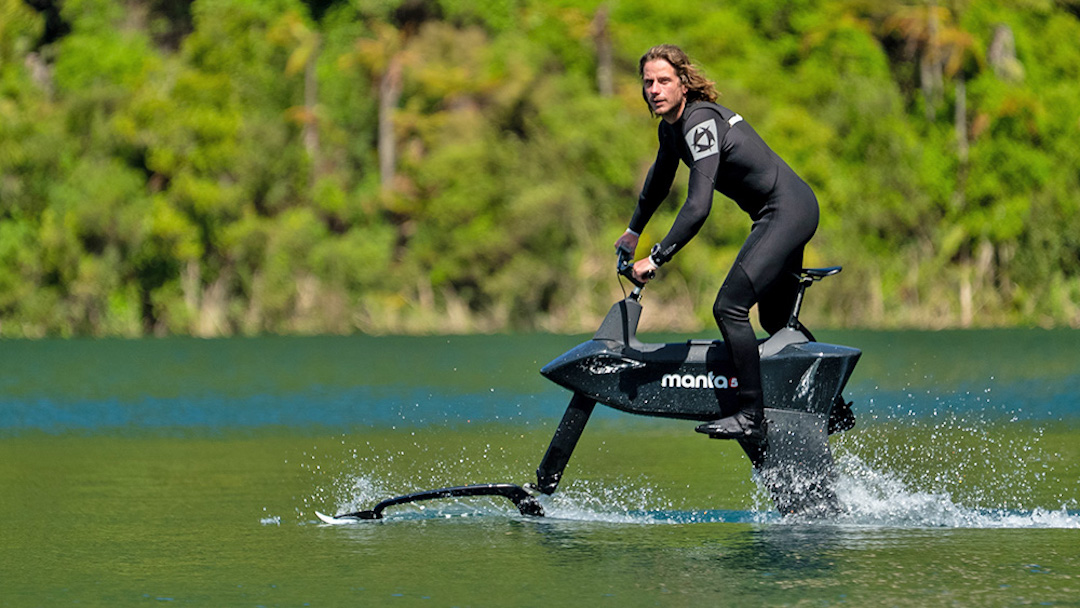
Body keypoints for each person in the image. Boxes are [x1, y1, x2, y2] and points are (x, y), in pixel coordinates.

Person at [614, 44, 854, 442]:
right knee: (774, 322)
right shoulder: (671, 130)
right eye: (648, 83)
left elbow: (697, 206)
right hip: (784, 210)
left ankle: (750, 415)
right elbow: (658, 182)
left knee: (729, 308)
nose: (654, 89)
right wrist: (633, 230)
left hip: (786, 211)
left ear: (684, 84)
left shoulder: (700, 123)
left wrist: (656, 258)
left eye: (664, 81)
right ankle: (835, 408)